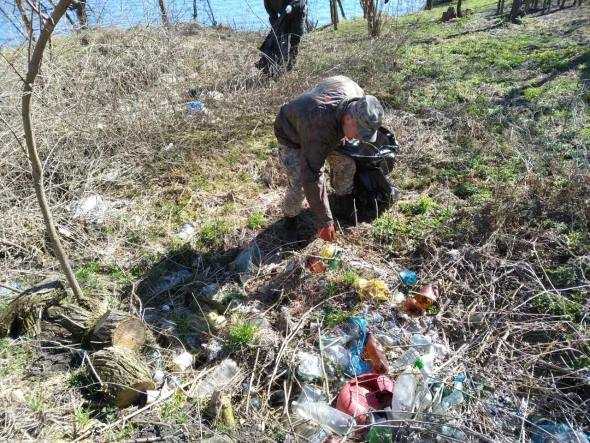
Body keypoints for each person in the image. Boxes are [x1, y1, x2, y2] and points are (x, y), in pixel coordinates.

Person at [274, 75, 385, 242]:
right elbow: (312, 174)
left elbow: (340, 79)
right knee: (300, 184)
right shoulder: (319, 126)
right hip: (292, 134)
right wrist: (325, 221)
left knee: (347, 164)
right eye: (359, 133)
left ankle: (341, 200)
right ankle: (290, 219)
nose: (358, 138)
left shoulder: (357, 96)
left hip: (329, 126)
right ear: (348, 119)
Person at [257, 0, 307, 75]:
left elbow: (300, 2)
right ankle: (274, 66)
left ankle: (291, 64)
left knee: (295, 40)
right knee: (279, 39)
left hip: (298, 11)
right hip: (285, 15)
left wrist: (291, 6)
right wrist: (276, 30)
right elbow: (272, 16)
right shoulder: (267, 2)